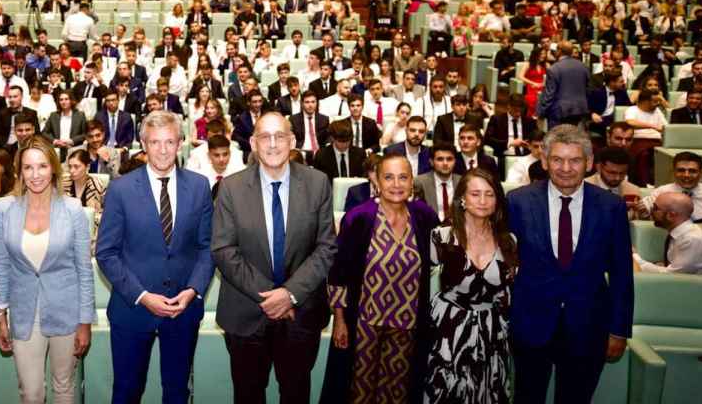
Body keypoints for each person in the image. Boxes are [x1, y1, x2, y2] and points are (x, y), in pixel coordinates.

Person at [212, 111, 337, 403]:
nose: (272, 144)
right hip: (246, 315)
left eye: (279, 136)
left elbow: (326, 247)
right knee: (248, 396)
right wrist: (273, 297)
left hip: (301, 315)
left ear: (292, 141)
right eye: (264, 137)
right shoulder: (230, 188)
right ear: (253, 143)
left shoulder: (318, 183)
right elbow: (223, 250)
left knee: (296, 395)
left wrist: (290, 294)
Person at [508, 125, 633, 404]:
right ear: (544, 161)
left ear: (589, 163)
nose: (566, 168)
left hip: (588, 326)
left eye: (575, 160)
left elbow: (622, 274)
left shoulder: (611, 207)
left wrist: (619, 330)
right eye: (557, 159)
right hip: (530, 324)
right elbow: (506, 265)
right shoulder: (518, 202)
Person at [95, 110, 214, 404]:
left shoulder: (199, 186)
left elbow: (207, 247)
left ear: (180, 144)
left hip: (182, 309)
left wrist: (193, 290)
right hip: (133, 309)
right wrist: (143, 296)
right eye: (155, 142)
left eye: (170, 142)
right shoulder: (120, 189)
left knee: (177, 393)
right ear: (144, 145)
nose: (163, 150)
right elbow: (106, 252)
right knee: (126, 392)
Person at [320, 153, 439, 402]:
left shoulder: (423, 216)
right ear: (377, 181)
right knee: (359, 393)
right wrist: (340, 320)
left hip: (407, 326)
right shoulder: (359, 218)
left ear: (412, 181)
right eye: (389, 177)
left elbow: (443, 252)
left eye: (403, 177)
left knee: (397, 393)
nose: (396, 184)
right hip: (364, 325)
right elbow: (338, 273)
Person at [0, 135, 94, 403]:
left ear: (53, 168)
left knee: (64, 386)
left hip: (67, 311)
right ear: (19, 171)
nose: (35, 174)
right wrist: (1, 317)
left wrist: (85, 321)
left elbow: (84, 271)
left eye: (42, 166)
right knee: (31, 392)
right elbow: (1, 265)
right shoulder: (4, 208)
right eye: (28, 167)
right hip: (24, 312)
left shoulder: (73, 209)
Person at [426, 168, 516, 403]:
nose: (483, 201)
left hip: (492, 335)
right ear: (462, 199)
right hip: (449, 334)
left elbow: (509, 294)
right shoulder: (441, 237)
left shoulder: (509, 241)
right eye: (475, 194)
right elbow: (418, 284)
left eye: (490, 194)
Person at [634, 151, 702, 222]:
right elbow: (644, 217)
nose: (686, 175)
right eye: (681, 170)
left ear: (701, 173)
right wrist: (642, 211)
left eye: (692, 171)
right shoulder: (661, 192)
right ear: (674, 172)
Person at [536, 42, 590, 129]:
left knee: (556, 136)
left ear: (559, 51)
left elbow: (549, 94)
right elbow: (588, 89)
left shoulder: (554, 68)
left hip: (559, 111)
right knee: (572, 135)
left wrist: (541, 112)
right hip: (579, 109)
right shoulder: (583, 67)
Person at [413, 143, 462, 222]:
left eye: (449, 159)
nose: (445, 163)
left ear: (455, 161)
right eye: (440, 159)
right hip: (429, 227)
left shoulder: (462, 182)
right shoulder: (419, 182)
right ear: (431, 162)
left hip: (456, 227)